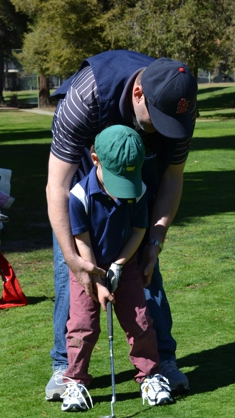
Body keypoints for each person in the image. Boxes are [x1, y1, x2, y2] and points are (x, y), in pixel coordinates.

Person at [45, 50, 198, 401]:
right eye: (156, 119)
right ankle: (64, 367)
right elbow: (57, 185)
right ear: (139, 93)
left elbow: (173, 177)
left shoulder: (180, 108)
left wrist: (155, 239)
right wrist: (71, 255)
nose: (163, 129)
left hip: (137, 185)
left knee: (146, 275)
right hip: (85, 181)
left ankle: (161, 364)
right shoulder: (87, 95)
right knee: (73, 282)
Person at [60, 125, 173, 412]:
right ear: (95, 159)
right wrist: (96, 279)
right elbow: (81, 241)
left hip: (126, 265)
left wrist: (120, 265)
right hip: (87, 267)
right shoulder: (79, 195)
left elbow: (138, 230)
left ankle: (150, 376)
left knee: (141, 321)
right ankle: (75, 380)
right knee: (82, 326)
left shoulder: (137, 190)